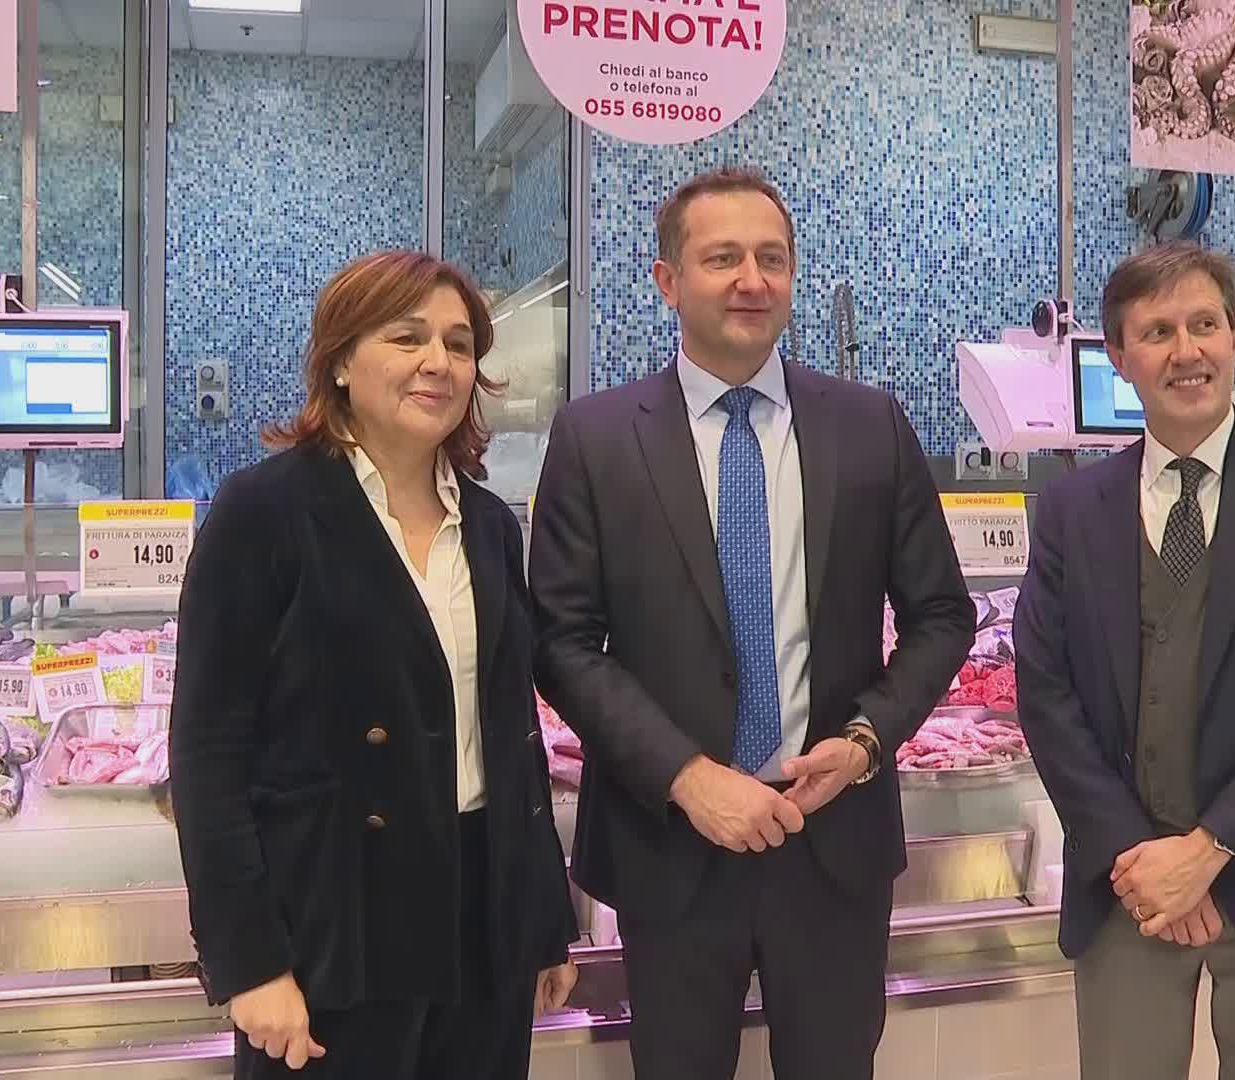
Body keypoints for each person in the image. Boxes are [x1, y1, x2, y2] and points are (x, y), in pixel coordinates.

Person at [528, 167, 973, 1079]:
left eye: (772, 258)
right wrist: (688, 778)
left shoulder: (870, 425)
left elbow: (941, 615)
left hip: (832, 842)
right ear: (668, 280)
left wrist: (866, 741)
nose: (751, 280)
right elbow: (563, 644)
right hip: (671, 849)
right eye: (722, 257)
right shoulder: (596, 438)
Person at [170, 250, 578, 1078]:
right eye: (406, 337)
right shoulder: (265, 511)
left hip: (484, 915)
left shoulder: (490, 525)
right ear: (340, 362)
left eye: (459, 344)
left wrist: (542, 921)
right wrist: (249, 960)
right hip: (335, 919)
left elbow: (512, 736)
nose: (439, 362)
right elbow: (207, 753)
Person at [1013, 242, 1235, 1080]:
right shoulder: (1072, 509)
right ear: (1119, 356)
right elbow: (1046, 695)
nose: (1187, 351)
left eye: (1205, 324)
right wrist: (1137, 860)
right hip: (1129, 893)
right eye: (1158, 331)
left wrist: (1207, 852)